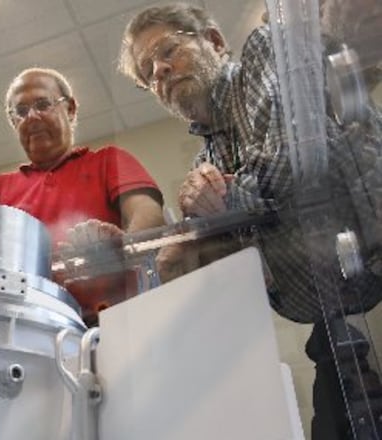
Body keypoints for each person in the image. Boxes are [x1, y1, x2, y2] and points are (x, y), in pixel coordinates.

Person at [119, 3, 382, 438]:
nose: (160, 71)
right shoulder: (207, 160)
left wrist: (227, 209)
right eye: (149, 72)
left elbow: (292, 163)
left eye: (168, 51)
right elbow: (259, 264)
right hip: (340, 312)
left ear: (216, 42)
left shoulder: (263, 52)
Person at [0, 67, 164, 325]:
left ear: (71, 109)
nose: (31, 117)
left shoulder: (108, 161)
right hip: (21, 331)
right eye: (21, 111)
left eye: (43, 104)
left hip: (111, 325)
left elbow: (148, 214)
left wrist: (120, 252)